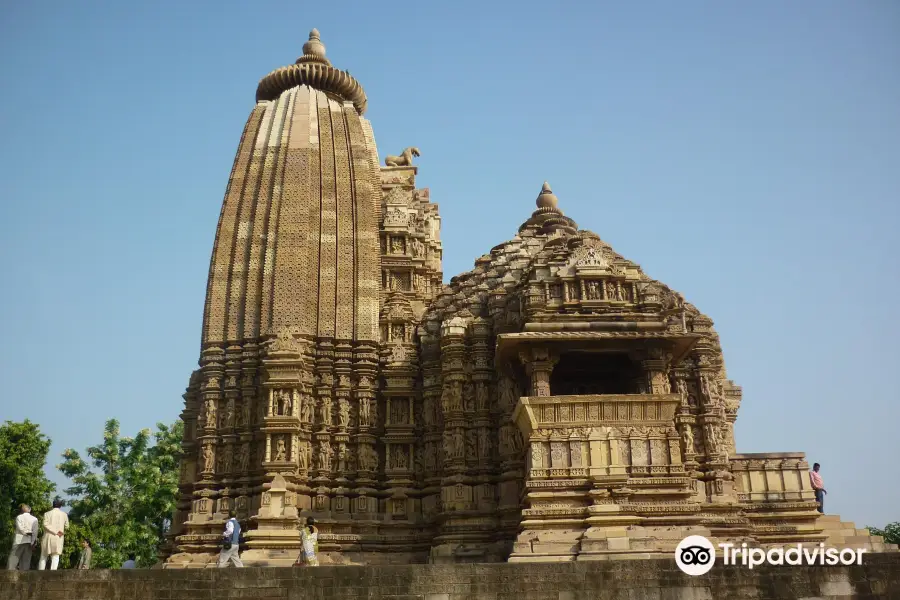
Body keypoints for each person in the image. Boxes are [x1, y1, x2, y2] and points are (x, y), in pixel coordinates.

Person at [38, 499, 68, 571]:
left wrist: (54, 531)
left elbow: (45, 524)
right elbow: (67, 526)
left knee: (44, 555)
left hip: (48, 536)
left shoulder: (47, 514)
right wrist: (58, 531)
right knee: (55, 556)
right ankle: (53, 573)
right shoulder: (64, 514)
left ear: (53, 505)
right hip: (59, 537)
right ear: (60, 506)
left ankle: (40, 573)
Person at [7, 504, 39, 571]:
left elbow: (20, 528)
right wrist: (33, 543)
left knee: (14, 558)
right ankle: (24, 576)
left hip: (19, 540)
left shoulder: (19, 517)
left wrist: (25, 533)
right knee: (26, 560)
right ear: (30, 510)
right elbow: (35, 532)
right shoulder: (35, 519)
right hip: (29, 541)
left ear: (22, 510)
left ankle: (10, 573)